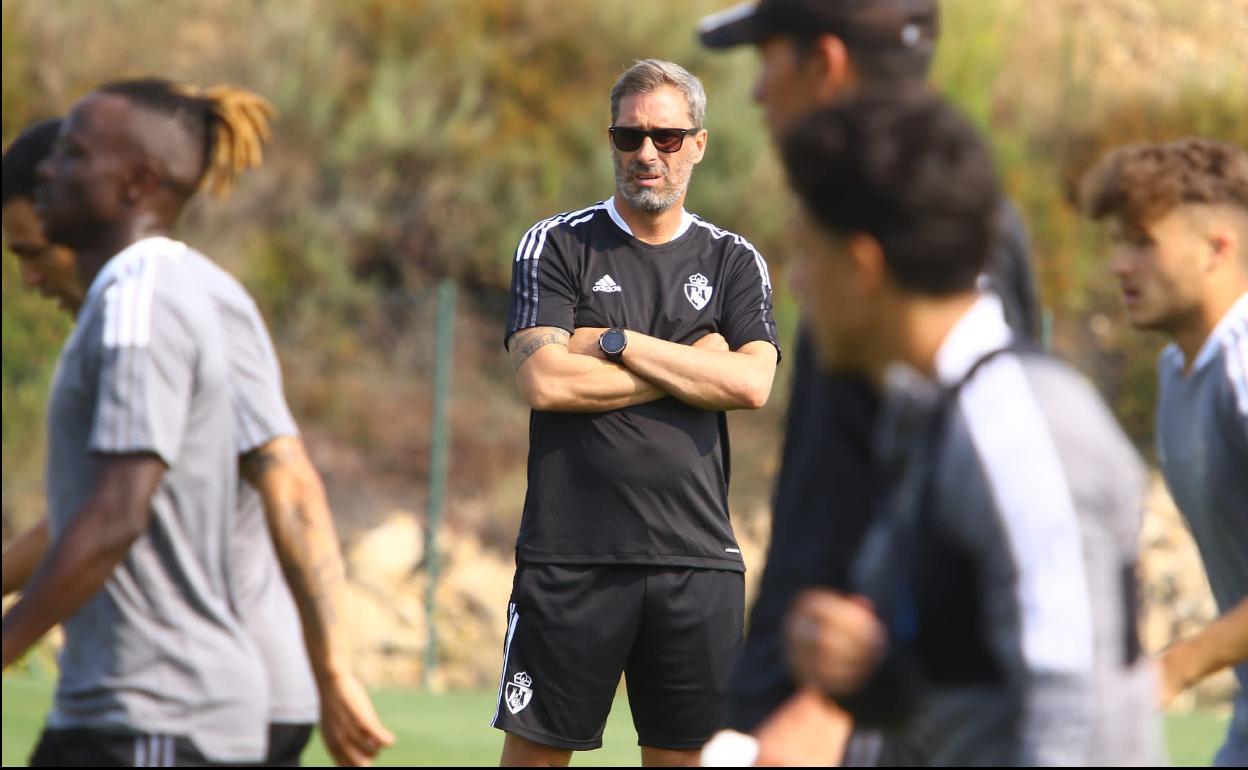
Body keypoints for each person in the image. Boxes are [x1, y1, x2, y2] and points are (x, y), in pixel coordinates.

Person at [0, 82, 391, 766]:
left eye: (28, 253)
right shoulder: (135, 304)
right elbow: (98, 509)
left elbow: (281, 482)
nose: (49, 176)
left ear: (135, 183)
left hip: (177, 703)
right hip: (164, 702)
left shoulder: (147, 302)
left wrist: (333, 668)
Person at [771, 89, 1159, 765]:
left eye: (807, 256)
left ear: (862, 268)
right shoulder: (930, 411)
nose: (797, 283)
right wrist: (871, 673)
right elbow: (975, 686)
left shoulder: (1013, 424)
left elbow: (1072, 716)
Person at [697, 0, 1039, 764]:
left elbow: (971, 486)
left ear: (827, 62)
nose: (756, 94)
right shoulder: (858, 217)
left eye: (768, 61)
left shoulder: (939, 230)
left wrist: (823, 707)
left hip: (865, 722)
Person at [493, 58, 780, 767]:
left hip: (697, 563)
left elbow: (750, 386)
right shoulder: (556, 245)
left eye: (667, 137)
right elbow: (547, 384)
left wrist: (619, 345)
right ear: (610, 140)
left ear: (699, 144)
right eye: (630, 137)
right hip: (570, 561)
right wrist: (690, 361)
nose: (647, 153)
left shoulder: (733, 261)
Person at [1080, 137, 1248, 766]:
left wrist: (1173, 670)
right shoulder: (1181, 372)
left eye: (1143, 243)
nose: (1120, 265)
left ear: (1217, 247)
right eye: (1119, 243)